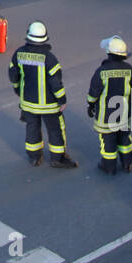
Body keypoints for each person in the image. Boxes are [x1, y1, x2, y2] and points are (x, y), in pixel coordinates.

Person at [9, 21, 78, 168]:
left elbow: (13, 75)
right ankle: (57, 159)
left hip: (28, 103)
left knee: (32, 128)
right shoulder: (49, 58)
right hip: (49, 106)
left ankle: (34, 157)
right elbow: (55, 82)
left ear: (28, 36)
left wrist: (17, 89)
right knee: (55, 130)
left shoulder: (19, 53)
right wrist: (62, 99)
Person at [87, 35, 132, 174]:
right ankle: (128, 163)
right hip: (123, 113)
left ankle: (109, 167)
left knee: (108, 142)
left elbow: (93, 93)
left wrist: (90, 105)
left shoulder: (102, 72)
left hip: (106, 117)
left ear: (109, 53)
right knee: (124, 138)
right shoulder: (129, 69)